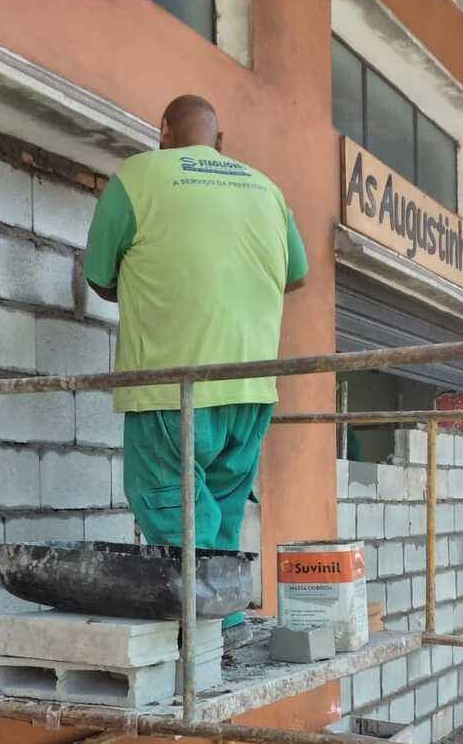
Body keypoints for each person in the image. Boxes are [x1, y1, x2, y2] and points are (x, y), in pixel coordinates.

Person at [84, 94, 308, 638]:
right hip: (252, 389)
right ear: (221, 142)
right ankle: (225, 619)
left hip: (172, 382)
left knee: (168, 497)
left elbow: (98, 276)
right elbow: (296, 275)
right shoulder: (267, 189)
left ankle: (213, 622)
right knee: (223, 507)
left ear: (162, 130)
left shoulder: (138, 177)